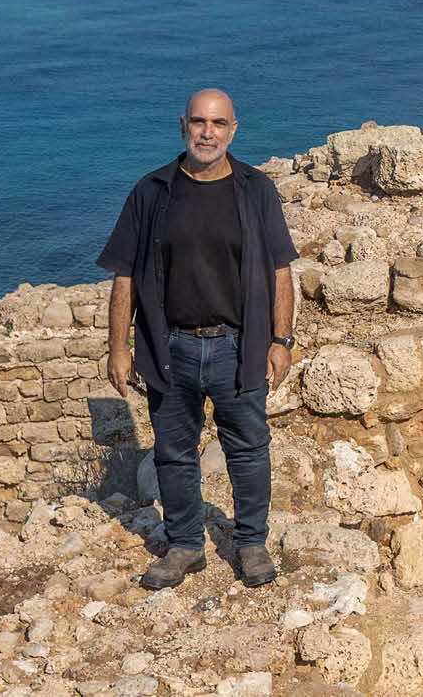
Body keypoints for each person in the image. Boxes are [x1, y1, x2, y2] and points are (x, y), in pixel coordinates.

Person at [99, 89, 297, 590]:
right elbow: (124, 275)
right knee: (173, 452)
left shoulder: (255, 190)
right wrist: (119, 347)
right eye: (199, 122)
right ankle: (185, 545)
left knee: (249, 449)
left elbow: (280, 270)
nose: (207, 132)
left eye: (218, 123)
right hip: (171, 348)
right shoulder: (152, 192)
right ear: (182, 125)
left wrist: (282, 340)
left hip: (239, 345)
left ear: (233, 130)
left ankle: (251, 543)